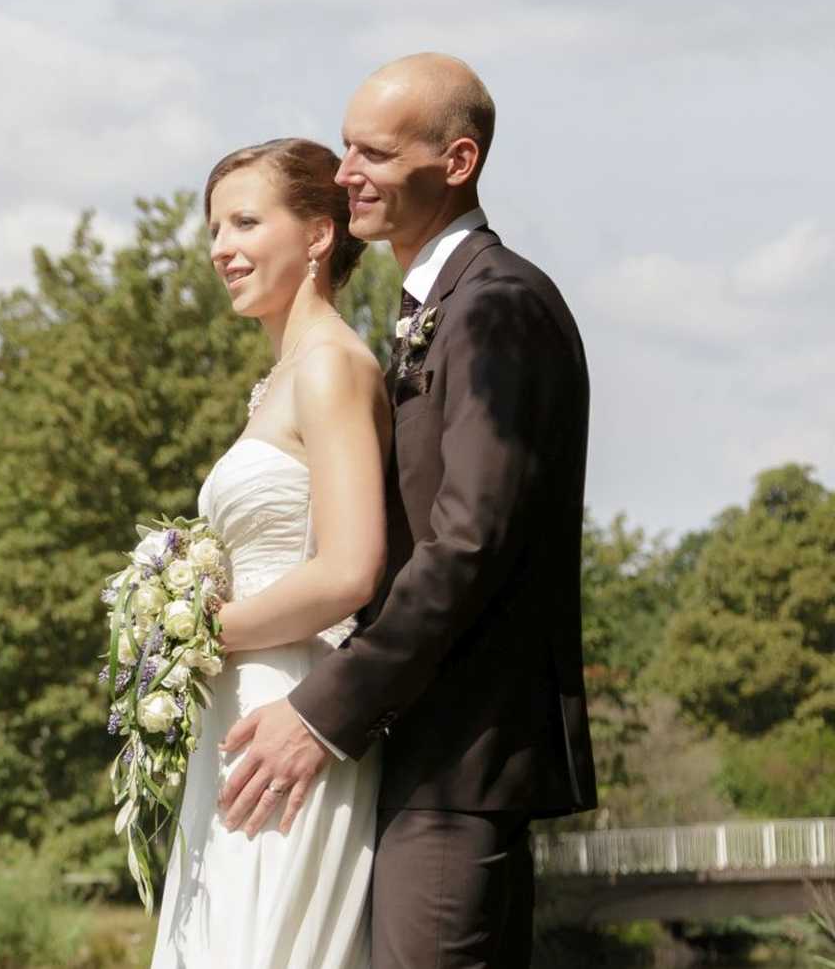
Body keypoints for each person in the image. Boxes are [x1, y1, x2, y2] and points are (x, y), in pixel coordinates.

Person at [217, 53, 597, 967]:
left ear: (456, 162)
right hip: (406, 752)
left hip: (459, 762)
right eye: (347, 147)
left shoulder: (499, 308)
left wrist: (320, 711)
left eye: (374, 153)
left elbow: (469, 542)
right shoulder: (429, 312)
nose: (345, 173)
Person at [148, 136, 387, 967]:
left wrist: (195, 640)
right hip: (239, 716)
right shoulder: (280, 378)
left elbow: (351, 569)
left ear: (320, 233)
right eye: (214, 229)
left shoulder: (331, 368)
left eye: (246, 222)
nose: (222, 249)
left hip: (291, 717)